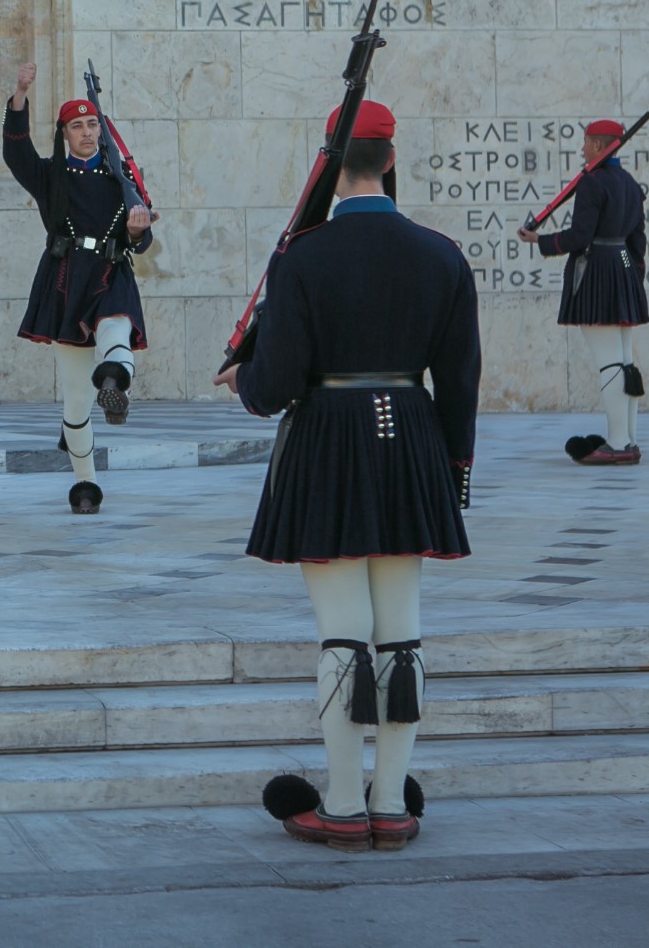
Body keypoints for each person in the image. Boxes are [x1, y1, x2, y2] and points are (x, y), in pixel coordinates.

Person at [215, 100, 479, 853]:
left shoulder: (305, 255)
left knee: (342, 634)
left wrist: (243, 378)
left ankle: (338, 802)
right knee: (402, 634)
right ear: (392, 159)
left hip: (329, 440)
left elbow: (274, 384)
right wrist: (454, 469)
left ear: (333, 163)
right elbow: (459, 381)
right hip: (412, 442)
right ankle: (391, 803)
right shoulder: (442, 254)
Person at [2, 62, 154, 514]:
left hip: (111, 271)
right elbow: (15, 152)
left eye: (92, 124)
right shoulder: (51, 176)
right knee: (74, 401)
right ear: (64, 133)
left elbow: (141, 240)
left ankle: (115, 380)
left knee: (116, 328)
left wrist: (136, 227)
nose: (87, 133)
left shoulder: (121, 177)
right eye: (77, 126)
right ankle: (85, 485)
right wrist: (20, 94)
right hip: (68, 278)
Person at [516, 119, 649, 465]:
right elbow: (638, 245)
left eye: (587, 143)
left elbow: (579, 238)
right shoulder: (631, 185)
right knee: (625, 362)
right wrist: (633, 281)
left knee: (610, 365)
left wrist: (540, 240)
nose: (582, 149)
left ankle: (618, 443)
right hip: (622, 271)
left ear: (601, 146)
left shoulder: (593, 184)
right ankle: (630, 439)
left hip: (597, 274)